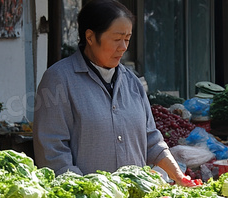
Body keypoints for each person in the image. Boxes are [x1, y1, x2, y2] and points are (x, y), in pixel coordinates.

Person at [33, 0, 193, 186]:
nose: (124, 47)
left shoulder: (132, 82)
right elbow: (52, 152)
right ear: (91, 37)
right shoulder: (58, 80)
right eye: (117, 39)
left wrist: (178, 175)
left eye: (127, 39)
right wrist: (89, 195)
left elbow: (152, 140)